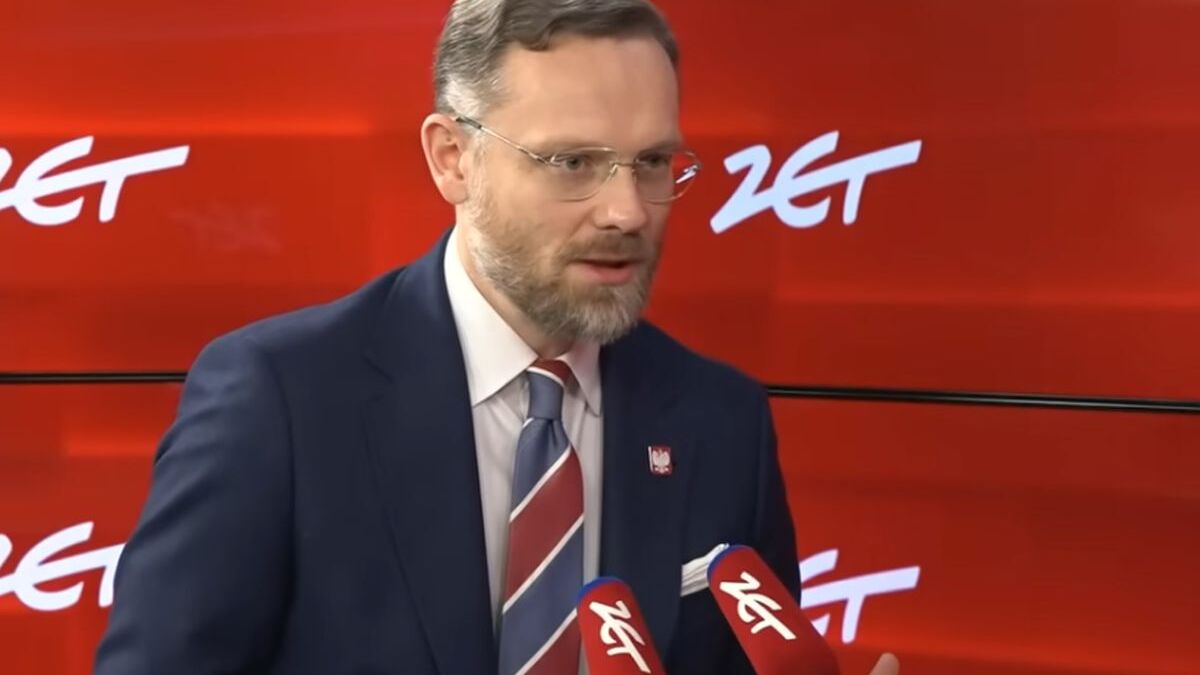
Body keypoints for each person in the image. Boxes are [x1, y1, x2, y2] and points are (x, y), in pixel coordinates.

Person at [95, 1, 897, 673]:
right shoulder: (278, 399)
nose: (628, 211)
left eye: (653, 161)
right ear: (453, 159)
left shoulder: (724, 424)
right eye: (573, 162)